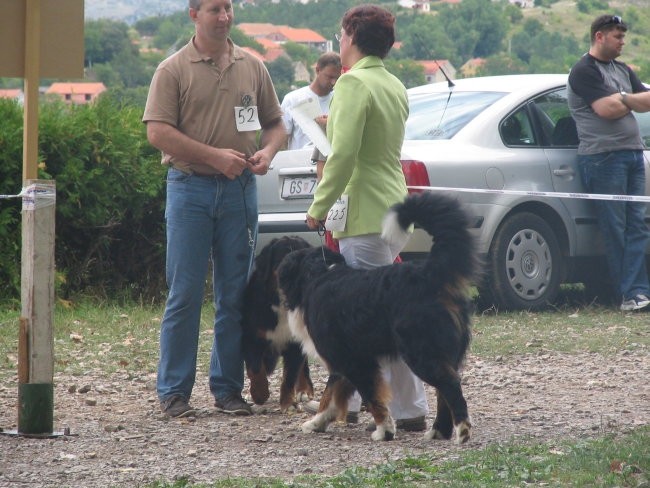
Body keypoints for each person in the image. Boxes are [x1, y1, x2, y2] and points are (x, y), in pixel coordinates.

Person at [142, 0, 286, 418]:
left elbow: (275, 123)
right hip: (190, 188)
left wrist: (268, 151)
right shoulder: (172, 69)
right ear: (194, 15)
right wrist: (214, 156)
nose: (223, 17)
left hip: (241, 190)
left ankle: (227, 389)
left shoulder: (253, 66)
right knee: (184, 293)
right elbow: (157, 132)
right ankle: (174, 392)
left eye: (228, 8)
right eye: (214, 9)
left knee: (234, 293)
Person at [304, 4, 429, 431]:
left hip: (363, 214)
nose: (339, 43)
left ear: (353, 36)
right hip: (392, 206)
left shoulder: (352, 84)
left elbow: (344, 156)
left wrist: (318, 207)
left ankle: (409, 408)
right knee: (374, 314)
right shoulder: (393, 84)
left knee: (369, 319)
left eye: (341, 35)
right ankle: (353, 401)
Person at [567, 14, 650, 312]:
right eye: (618, 36)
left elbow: (646, 100)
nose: (622, 42)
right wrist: (629, 101)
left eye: (624, 37)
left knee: (638, 225)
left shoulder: (622, 69)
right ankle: (629, 294)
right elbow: (607, 109)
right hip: (603, 158)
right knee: (616, 227)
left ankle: (639, 291)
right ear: (600, 36)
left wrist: (624, 97)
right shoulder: (583, 71)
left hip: (632, 154)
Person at [281, 52, 342, 150]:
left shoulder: (341, 100)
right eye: (330, 77)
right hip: (299, 163)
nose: (333, 82)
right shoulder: (292, 99)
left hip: (329, 163)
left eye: (337, 78)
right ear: (318, 70)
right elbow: (282, 139)